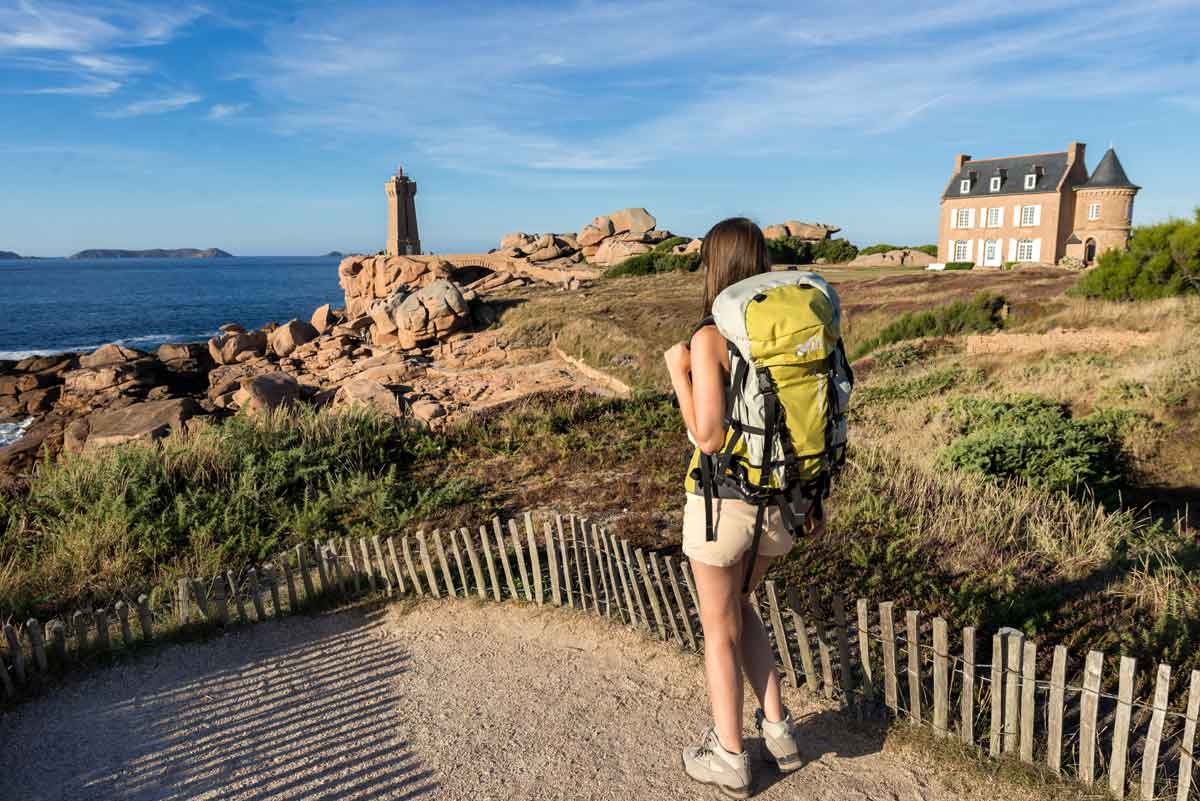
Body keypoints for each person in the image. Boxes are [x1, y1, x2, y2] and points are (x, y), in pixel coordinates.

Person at [664, 217, 822, 798]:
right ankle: (779, 731)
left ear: (714, 265)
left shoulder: (713, 336)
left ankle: (729, 755)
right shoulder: (781, 336)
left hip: (722, 509)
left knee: (718, 631)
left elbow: (706, 436)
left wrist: (678, 372)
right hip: (780, 507)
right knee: (743, 606)